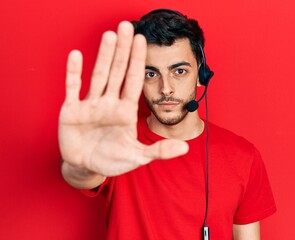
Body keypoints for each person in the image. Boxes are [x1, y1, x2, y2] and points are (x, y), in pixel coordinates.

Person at [59, 9, 276, 240]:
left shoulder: (244, 156)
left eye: (179, 71)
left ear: (201, 73)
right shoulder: (118, 143)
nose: (166, 88)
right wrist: (81, 163)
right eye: (151, 74)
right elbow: (83, 175)